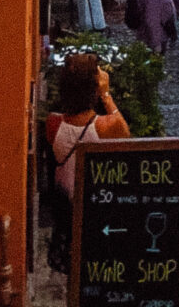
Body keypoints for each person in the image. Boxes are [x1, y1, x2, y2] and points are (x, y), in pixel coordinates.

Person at [45, 54, 130, 272]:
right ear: (92, 89)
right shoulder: (105, 127)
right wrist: (106, 94)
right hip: (99, 211)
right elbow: (125, 132)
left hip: (67, 216)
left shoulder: (52, 124)